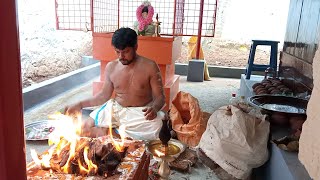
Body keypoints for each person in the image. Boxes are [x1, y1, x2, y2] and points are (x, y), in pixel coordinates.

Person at [65, 27, 165, 140]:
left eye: (126, 52)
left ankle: (107, 133)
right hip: (115, 109)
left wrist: (154, 108)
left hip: (140, 114)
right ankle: (112, 134)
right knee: (84, 127)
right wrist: (80, 104)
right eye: (118, 52)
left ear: (135, 47)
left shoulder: (150, 66)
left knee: (159, 127)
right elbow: (103, 96)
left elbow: (160, 97)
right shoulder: (111, 67)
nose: (121, 56)